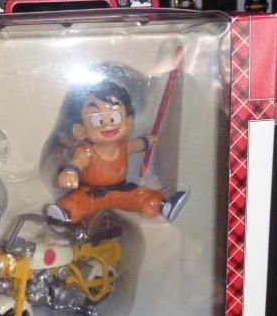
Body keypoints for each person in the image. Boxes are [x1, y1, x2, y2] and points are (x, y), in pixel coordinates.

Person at [46, 80, 187, 224]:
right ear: (80, 130)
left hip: (120, 190)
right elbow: (77, 161)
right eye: (97, 120)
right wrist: (70, 172)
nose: (108, 125)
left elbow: (136, 145)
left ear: (129, 123)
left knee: (142, 195)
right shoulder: (86, 151)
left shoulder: (122, 146)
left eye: (115, 117)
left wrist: (148, 141)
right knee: (76, 202)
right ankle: (64, 213)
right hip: (92, 193)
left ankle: (163, 206)